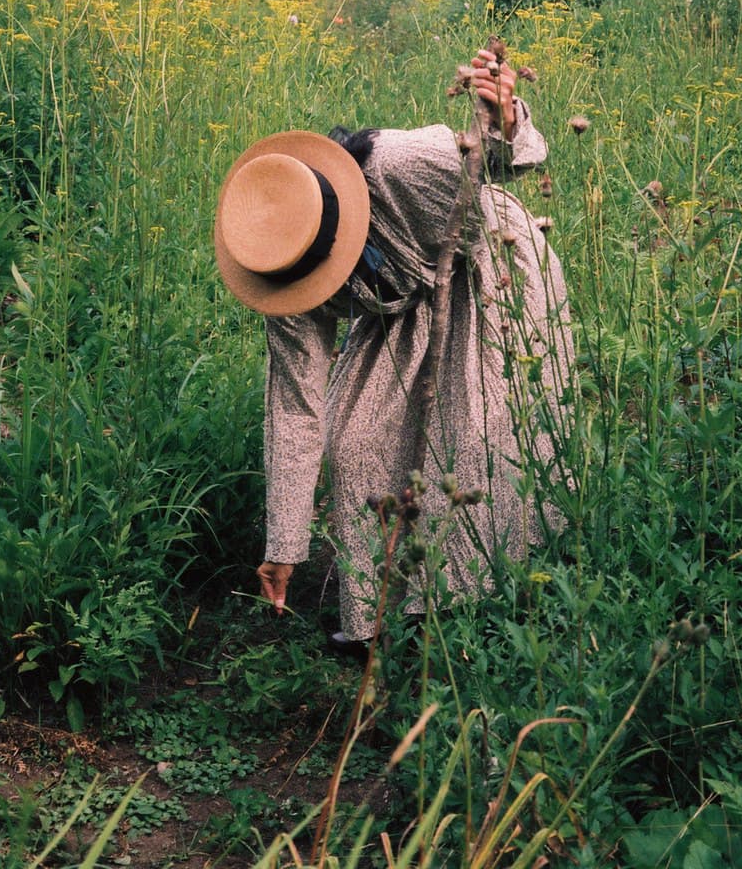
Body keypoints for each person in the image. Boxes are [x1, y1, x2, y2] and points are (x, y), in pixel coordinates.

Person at [214, 46, 574, 649]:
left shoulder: (401, 164)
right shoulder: (278, 267)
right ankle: (378, 623)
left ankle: (472, 611)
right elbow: (297, 410)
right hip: (402, 313)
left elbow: (497, 160)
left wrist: (504, 117)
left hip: (491, 276)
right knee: (355, 444)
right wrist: (284, 546)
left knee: (480, 438)